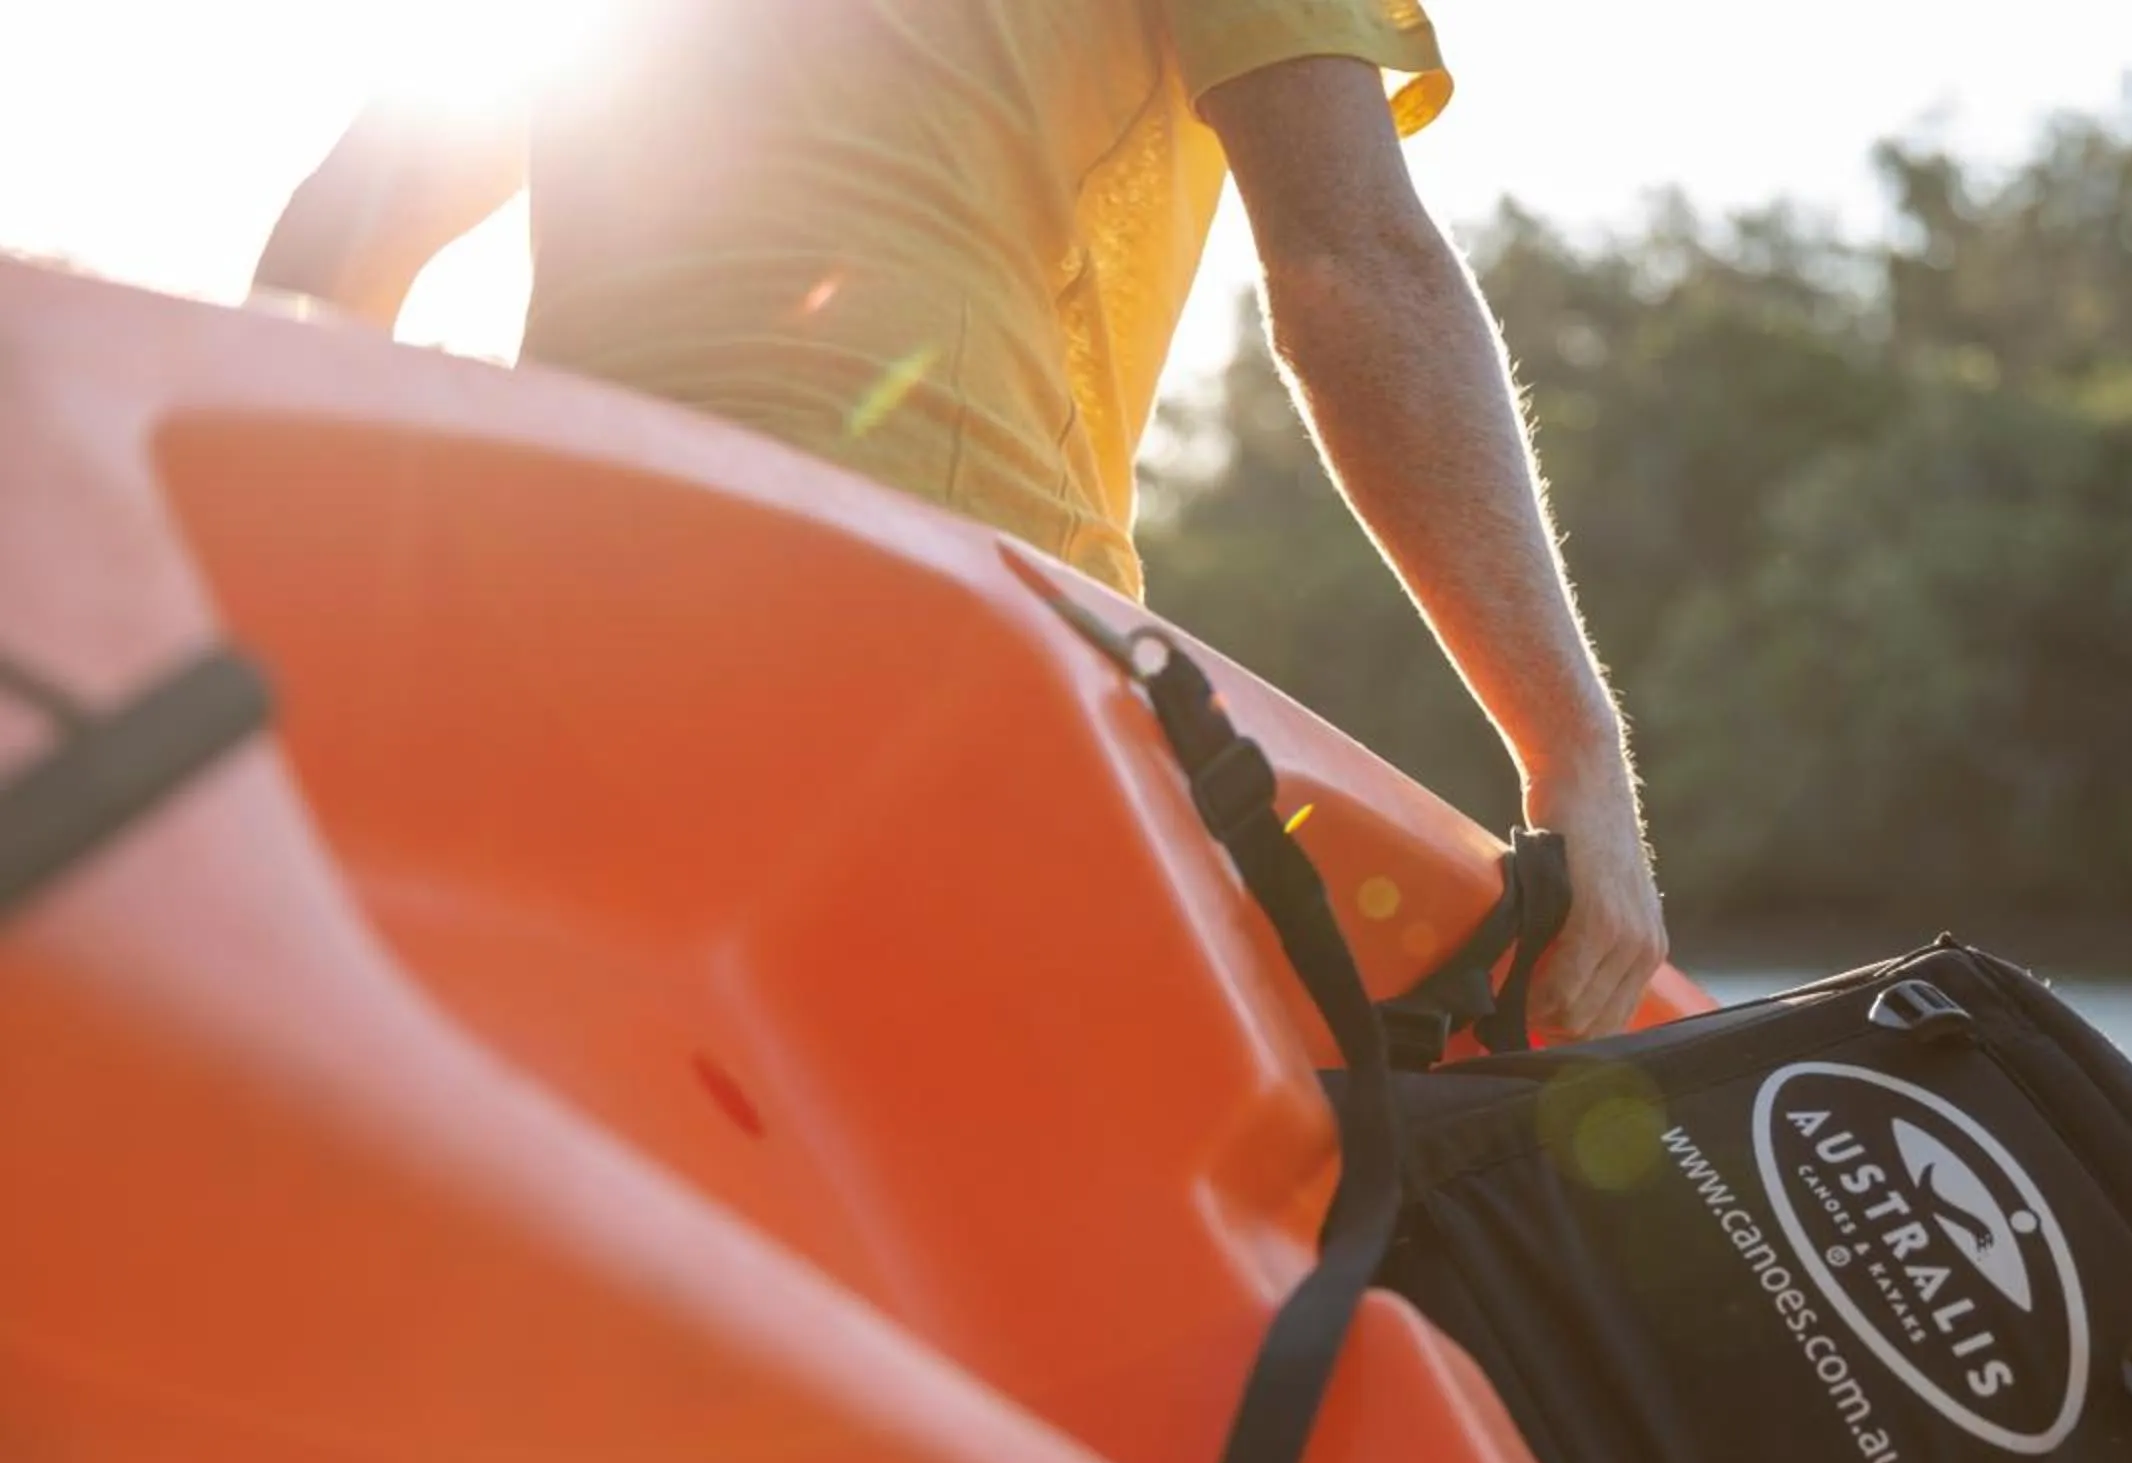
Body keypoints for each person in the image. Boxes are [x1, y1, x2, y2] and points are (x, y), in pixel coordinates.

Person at [255, 0, 1667, 1037]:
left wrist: (314, 633)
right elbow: (1351, 264)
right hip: (933, 635)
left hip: (549, 614)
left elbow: (341, 232)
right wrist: (1572, 751)